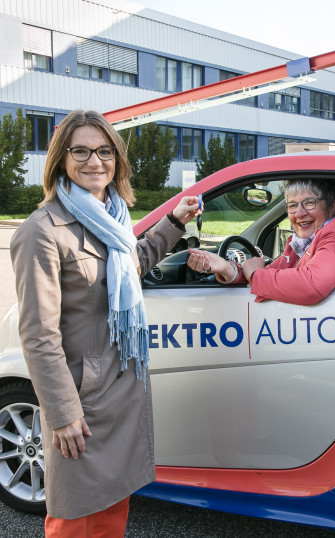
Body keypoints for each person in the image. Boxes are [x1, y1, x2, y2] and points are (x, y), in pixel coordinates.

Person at [10, 110, 200, 537]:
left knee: (111, 515)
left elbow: (132, 265)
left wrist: (174, 224)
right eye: (81, 151)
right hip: (85, 403)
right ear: (61, 159)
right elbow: (39, 335)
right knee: (76, 519)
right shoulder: (41, 232)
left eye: (104, 151)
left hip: (123, 393)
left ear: (117, 159)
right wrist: (61, 413)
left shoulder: (111, 218)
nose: (94, 161)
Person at [187, 179, 335, 305]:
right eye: (292, 205)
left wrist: (254, 274)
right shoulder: (301, 243)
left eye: (309, 203)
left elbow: (312, 285)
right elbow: (272, 272)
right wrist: (227, 268)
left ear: (331, 207)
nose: (299, 213)